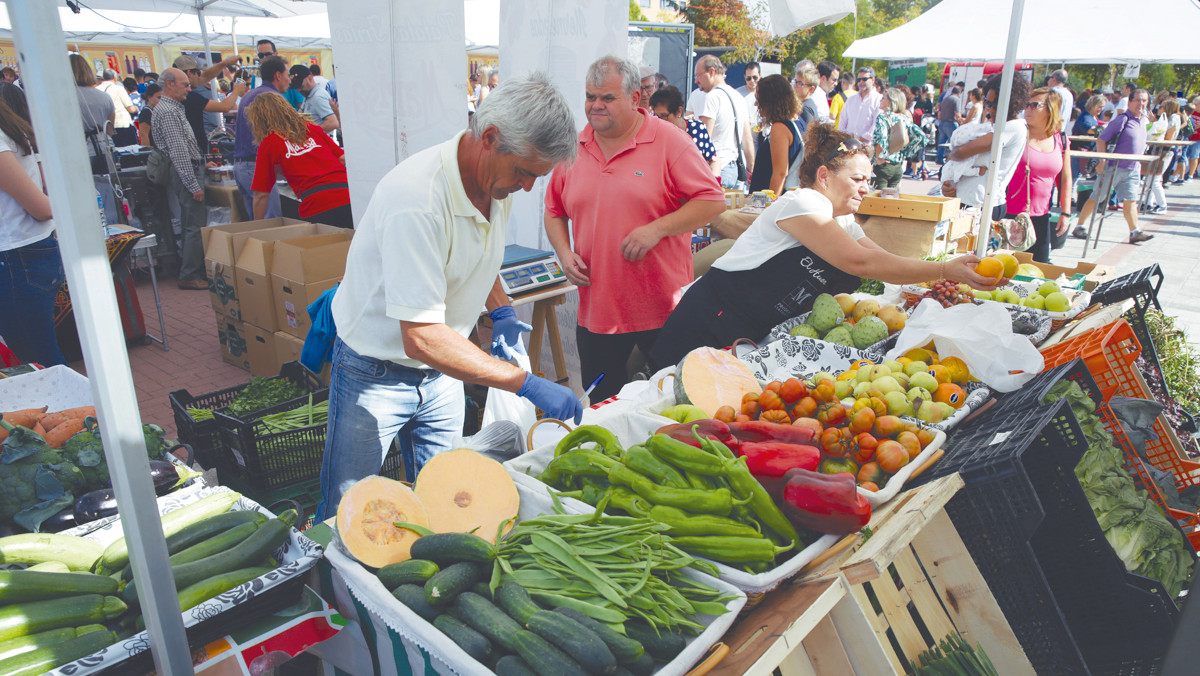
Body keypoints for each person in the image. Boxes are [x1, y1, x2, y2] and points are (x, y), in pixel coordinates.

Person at [316, 73, 580, 519]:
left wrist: (500, 310)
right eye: (524, 172)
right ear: (491, 138)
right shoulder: (417, 200)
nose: (528, 186)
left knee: (446, 499)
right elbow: (419, 336)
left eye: (537, 176)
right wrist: (523, 381)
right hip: (375, 372)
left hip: (441, 374)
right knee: (349, 508)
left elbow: (480, 253)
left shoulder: (498, 181)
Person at [647, 124, 999, 368]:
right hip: (708, 323)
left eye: (870, 181)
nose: (866, 188)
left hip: (748, 335)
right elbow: (859, 263)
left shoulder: (841, 217)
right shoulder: (802, 203)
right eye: (858, 179)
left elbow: (878, 257)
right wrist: (940, 270)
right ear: (825, 176)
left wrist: (940, 273)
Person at [545, 55, 725, 402]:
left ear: (635, 99)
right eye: (590, 96)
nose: (596, 106)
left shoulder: (668, 140)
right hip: (597, 312)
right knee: (602, 404)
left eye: (607, 98)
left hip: (662, 309)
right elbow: (554, 210)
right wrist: (564, 254)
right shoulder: (574, 146)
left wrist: (657, 229)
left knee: (671, 403)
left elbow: (712, 200)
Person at [0, 87, 64, 366]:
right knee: (37, 357)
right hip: (25, 256)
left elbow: (40, 207)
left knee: (39, 361)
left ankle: (85, 410)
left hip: (19, 258)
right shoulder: (10, 131)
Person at [246, 92, 351, 228]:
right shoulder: (312, 129)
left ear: (259, 121)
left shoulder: (269, 144)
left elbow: (261, 195)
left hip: (315, 204)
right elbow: (342, 159)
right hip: (347, 195)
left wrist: (257, 227)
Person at [942, 73, 1031, 216]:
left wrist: (953, 154)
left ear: (1013, 103)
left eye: (996, 105)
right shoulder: (995, 126)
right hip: (967, 202)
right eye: (988, 104)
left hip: (983, 206)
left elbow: (960, 153)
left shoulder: (1014, 127)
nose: (991, 110)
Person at [1071, 88, 1153, 244]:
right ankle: (1079, 226)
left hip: (1132, 168)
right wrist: (1102, 161)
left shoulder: (1144, 120)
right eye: (1137, 100)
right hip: (1113, 167)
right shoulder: (1122, 119)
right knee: (1097, 198)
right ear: (1130, 102)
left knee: (1130, 200)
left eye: (1144, 100)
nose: (1140, 104)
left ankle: (1134, 231)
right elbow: (1101, 139)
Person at [155, 68, 211, 290]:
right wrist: (192, 183)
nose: (189, 88)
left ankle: (191, 271)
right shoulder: (169, 111)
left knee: (192, 224)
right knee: (193, 226)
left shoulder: (171, 108)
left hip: (189, 169)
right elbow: (178, 152)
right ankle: (189, 273)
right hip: (186, 172)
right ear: (170, 84)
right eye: (185, 84)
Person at [1005, 88, 1071, 263]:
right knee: (1001, 268)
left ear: (1050, 109)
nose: (1027, 109)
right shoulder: (1018, 133)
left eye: (1034, 105)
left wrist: (1066, 212)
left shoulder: (1061, 140)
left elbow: (1065, 178)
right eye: (1026, 105)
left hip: (1040, 217)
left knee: (1038, 270)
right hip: (1008, 214)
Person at [234, 56, 288, 220]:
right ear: (278, 75)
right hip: (255, 167)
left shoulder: (251, 95)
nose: (289, 80)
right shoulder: (271, 97)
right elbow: (282, 133)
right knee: (270, 227)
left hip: (243, 167)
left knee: (258, 229)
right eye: (288, 75)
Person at [695, 54, 755, 188]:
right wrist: (751, 170)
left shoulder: (711, 98)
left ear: (711, 72)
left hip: (717, 170)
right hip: (736, 171)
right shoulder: (738, 97)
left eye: (698, 75)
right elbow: (747, 139)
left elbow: (704, 139)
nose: (696, 81)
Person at [175, 55, 248, 154]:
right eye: (198, 73)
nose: (201, 76)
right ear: (189, 73)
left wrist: (224, 63)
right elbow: (225, 107)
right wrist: (236, 91)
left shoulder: (176, 94)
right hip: (193, 152)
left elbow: (206, 76)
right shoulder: (188, 97)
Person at [748, 74, 803, 196]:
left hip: (773, 200)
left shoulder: (780, 128)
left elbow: (781, 173)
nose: (756, 105)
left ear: (770, 101)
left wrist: (770, 205)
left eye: (759, 100)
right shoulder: (798, 122)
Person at [649, 86, 718, 173]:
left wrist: (715, 181)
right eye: (656, 116)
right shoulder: (654, 133)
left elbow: (713, 160)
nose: (660, 120)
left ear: (679, 111)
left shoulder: (697, 129)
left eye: (664, 116)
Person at [871, 87, 927, 189]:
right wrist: (906, 152)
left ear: (891, 101)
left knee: (878, 201)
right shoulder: (904, 117)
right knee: (892, 200)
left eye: (883, 98)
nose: (880, 100)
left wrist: (878, 158)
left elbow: (881, 139)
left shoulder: (883, 117)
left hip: (883, 167)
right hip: (897, 167)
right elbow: (921, 136)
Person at [70, 54, 115, 174]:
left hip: (81, 151)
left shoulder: (67, 98)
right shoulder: (105, 97)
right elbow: (110, 129)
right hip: (107, 147)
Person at [1145, 98, 1179, 214]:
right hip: (1159, 151)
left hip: (1164, 152)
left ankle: (1162, 205)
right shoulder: (1166, 119)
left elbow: (1168, 138)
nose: (1158, 108)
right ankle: (1148, 203)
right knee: (1150, 179)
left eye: (1161, 106)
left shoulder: (1173, 119)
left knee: (1154, 180)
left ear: (1167, 108)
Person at [837, 66, 883, 144]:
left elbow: (876, 126)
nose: (861, 82)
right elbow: (842, 122)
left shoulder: (879, 100)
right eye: (859, 80)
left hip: (867, 147)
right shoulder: (851, 100)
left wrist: (860, 139)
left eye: (864, 79)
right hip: (849, 145)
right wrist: (845, 138)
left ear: (873, 80)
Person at [290, 65, 339, 134]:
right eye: (296, 87)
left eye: (301, 86)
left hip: (320, 142)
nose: (298, 90)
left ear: (310, 78)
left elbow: (333, 123)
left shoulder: (318, 97)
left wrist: (310, 131)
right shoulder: (309, 95)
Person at [96, 69, 138, 147]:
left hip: (106, 128)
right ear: (115, 78)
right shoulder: (118, 88)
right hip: (122, 125)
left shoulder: (96, 89)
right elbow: (130, 109)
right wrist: (136, 108)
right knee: (130, 151)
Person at [792, 65, 822, 134]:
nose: (795, 85)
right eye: (795, 81)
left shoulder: (805, 108)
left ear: (811, 89)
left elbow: (807, 135)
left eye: (800, 83)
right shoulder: (804, 104)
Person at [936, 85, 962, 164]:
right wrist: (960, 121)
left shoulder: (945, 99)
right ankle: (951, 160)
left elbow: (939, 111)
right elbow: (957, 113)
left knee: (941, 143)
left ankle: (939, 159)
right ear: (959, 93)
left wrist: (940, 120)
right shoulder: (956, 100)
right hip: (951, 123)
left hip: (943, 122)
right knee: (953, 143)